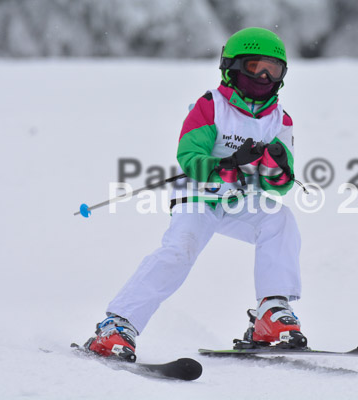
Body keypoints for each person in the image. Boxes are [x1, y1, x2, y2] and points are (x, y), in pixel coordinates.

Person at [84, 27, 306, 362]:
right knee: (180, 251)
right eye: (254, 67)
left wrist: (275, 166)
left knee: (279, 221)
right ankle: (117, 325)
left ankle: (271, 313)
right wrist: (228, 163)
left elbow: (282, 183)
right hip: (198, 197)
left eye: (271, 71)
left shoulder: (280, 119)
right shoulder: (210, 106)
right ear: (231, 68)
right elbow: (189, 157)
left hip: (240, 200)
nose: (262, 77)